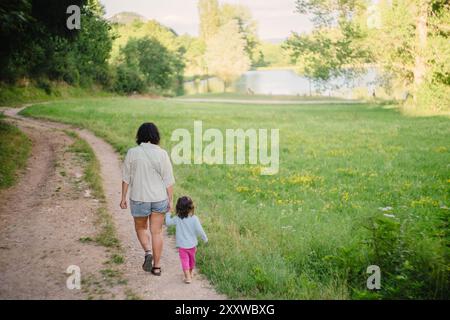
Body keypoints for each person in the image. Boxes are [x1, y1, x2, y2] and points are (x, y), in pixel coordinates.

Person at [120, 122, 175, 276]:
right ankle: (157, 267)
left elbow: (126, 178)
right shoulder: (162, 153)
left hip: (139, 198)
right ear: (156, 136)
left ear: (140, 136)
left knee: (140, 228)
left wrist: (123, 197)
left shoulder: (132, 152)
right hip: (159, 199)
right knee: (157, 232)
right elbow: (168, 180)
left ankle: (148, 251)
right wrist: (170, 200)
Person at [165, 196, 208, 284]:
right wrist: (205, 238)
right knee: (192, 260)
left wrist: (168, 213)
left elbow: (168, 223)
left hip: (182, 246)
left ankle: (188, 276)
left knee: (185, 261)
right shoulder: (194, 218)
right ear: (191, 208)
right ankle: (190, 273)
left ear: (178, 208)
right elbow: (200, 230)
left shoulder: (177, 218)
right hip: (192, 245)